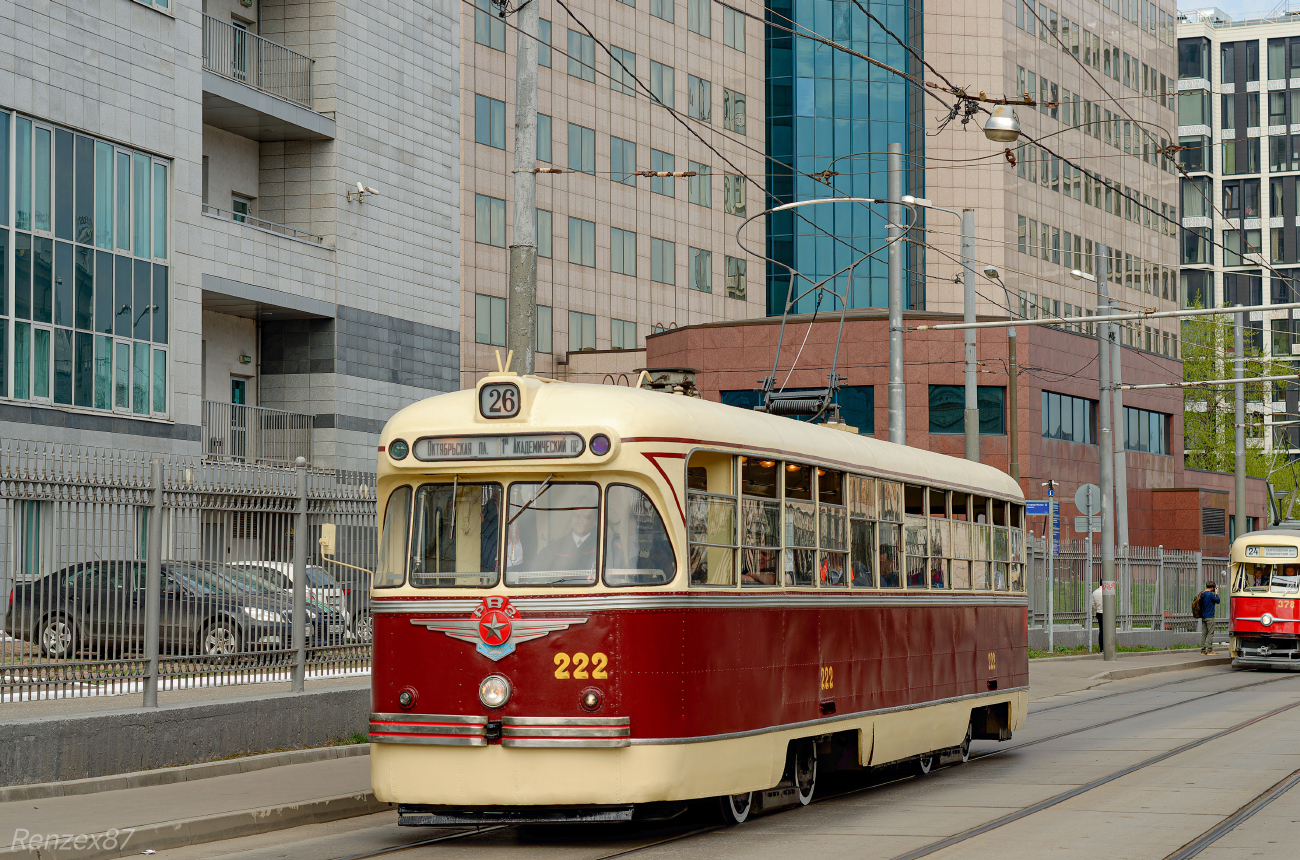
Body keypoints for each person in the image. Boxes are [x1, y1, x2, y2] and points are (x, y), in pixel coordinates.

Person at [535, 507, 600, 576]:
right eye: (576, 516)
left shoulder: (604, 546)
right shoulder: (554, 547)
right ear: (571, 518)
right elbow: (535, 571)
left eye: (586, 517)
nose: (580, 521)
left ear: (595, 520)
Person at [1197, 581, 1221, 654]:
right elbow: (1218, 601)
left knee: (1204, 633)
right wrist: (1216, 593)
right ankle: (1210, 649)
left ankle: (1202, 649)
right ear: (1212, 588)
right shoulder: (1210, 594)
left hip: (1203, 616)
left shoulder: (1202, 594)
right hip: (1210, 616)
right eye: (1214, 588)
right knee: (1210, 633)